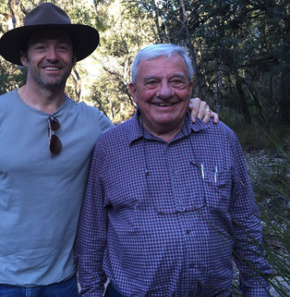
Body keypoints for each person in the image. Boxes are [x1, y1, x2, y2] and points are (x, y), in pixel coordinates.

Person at [0, 3, 217, 296]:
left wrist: (187, 110)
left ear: (73, 59)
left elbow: (146, 140)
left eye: (62, 48)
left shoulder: (95, 124)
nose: (52, 56)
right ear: (24, 57)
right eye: (41, 47)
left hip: (64, 284)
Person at [75, 43, 272, 297]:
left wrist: (256, 289)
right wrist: (90, 292)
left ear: (190, 88)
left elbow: (246, 221)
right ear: (134, 92)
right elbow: (92, 235)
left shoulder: (222, 138)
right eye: (152, 82)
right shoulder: (109, 148)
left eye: (177, 81)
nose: (165, 92)